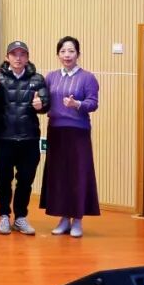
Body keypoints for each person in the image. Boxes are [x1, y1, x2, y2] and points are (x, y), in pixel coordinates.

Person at [40, 36, 100, 238]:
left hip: (78, 132)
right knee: (59, 176)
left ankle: (77, 221)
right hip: (56, 131)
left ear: (78, 54)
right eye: (63, 51)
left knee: (77, 175)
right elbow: (44, 102)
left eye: (71, 51)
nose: (67, 55)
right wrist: (38, 104)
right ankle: (64, 219)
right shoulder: (51, 77)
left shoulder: (87, 78)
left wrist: (77, 104)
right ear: (58, 54)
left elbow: (93, 103)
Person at [0, 40, 50, 236]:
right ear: (7, 57)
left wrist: (42, 105)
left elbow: (46, 103)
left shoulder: (37, 79)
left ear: (27, 57)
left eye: (22, 54)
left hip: (29, 138)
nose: (18, 58)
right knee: (4, 180)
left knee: (25, 180)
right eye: (14, 54)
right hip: (4, 138)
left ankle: (21, 217)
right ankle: (4, 216)